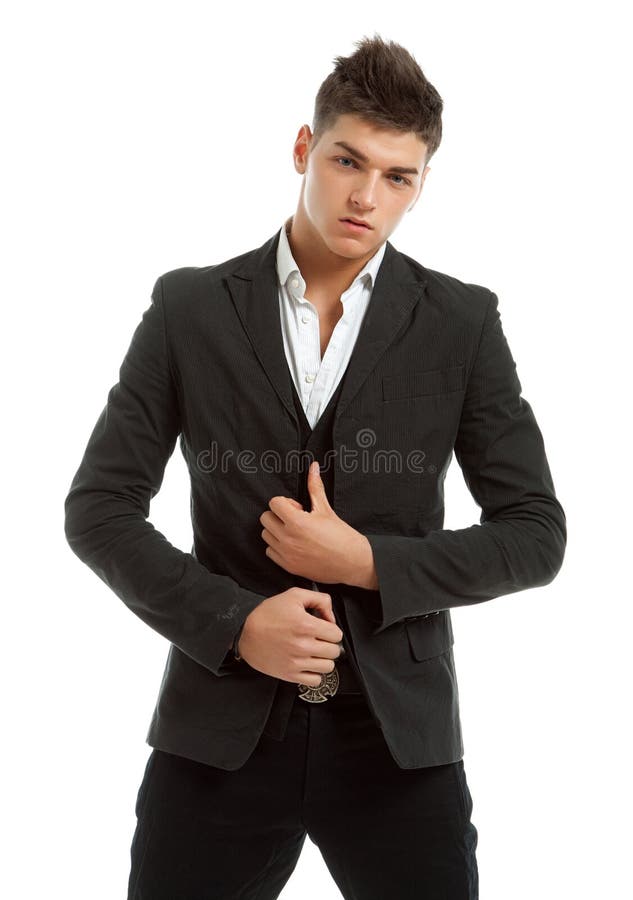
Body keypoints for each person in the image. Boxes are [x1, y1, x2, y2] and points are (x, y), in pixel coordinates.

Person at [63, 33, 566, 900]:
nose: (366, 197)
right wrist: (235, 623)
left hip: (397, 744)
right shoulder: (187, 308)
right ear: (304, 149)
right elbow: (100, 508)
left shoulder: (461, 322)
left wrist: (367, 562)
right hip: (216, 735)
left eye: (397, 177)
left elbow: (534, 535)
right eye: (347, 161)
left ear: (420, 186)